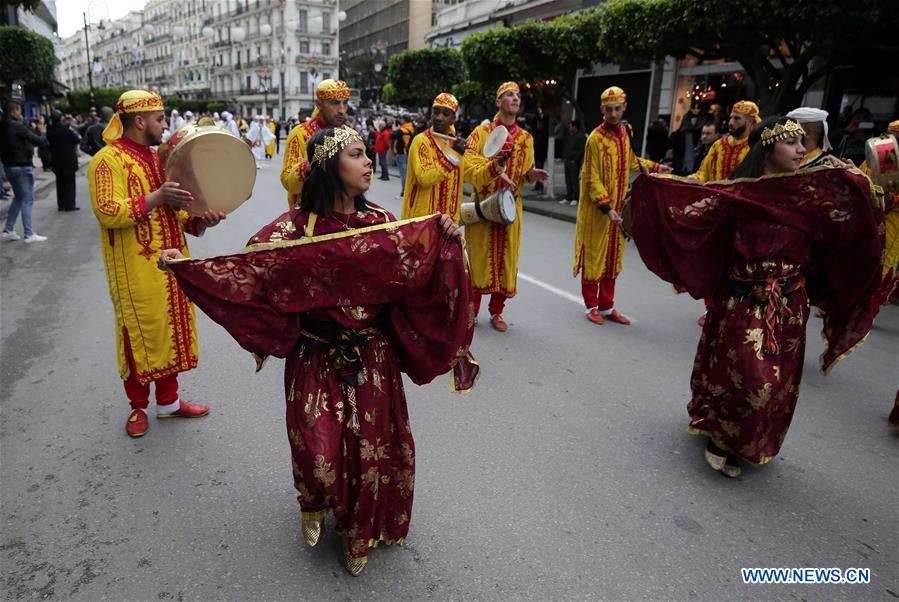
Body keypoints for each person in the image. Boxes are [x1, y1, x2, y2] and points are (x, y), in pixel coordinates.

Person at [159, 125, 477, 576]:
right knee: (317, 451)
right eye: (356, 154)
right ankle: (315, 502)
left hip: (372, 357)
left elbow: (416, 275)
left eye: (368, 154)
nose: (369, 162)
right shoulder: (291, 230)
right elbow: (249, 278)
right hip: (315, 357)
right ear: (330, 165)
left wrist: (445, 238)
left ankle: (358, 532)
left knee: (373, 451)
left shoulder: (384, 224)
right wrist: (187, 269)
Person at [630, 116, 882, 477]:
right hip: (744, 297)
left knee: (778, 383)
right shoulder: (739, 194)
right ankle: (720, 435)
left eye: (802, 143)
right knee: (748, 377)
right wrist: (655, 193)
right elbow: (695, 215)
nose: (800, 150)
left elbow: (850, 220)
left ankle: (749, 439)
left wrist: (854, 180)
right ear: (768, 148)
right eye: (792, 143)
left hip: (790, 302)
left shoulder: (809, 193)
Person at [87, 90, 226, 438]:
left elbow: (179, 214)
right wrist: (157, 196)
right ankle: (138, 406)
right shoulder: (106, 161)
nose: (165, 124)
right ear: (139, 121)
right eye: (160, 118)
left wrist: (204, 219)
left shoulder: (159, 159)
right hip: (135, 267)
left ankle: (168, 402)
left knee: (172, 329)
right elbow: (108, 211)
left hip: (173, 262)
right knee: (140, 333)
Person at [572, 86, 671, 326]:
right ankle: (591, 305)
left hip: (618, 207)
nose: (614, 114)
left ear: (624, 108)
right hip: (599, 211)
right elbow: (591, 178)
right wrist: (607, 208)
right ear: (602, 110)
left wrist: (657, 167)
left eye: (617, 109)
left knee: (613, 259)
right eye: (609, 110)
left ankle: (607, 306)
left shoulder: (625, 133)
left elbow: (631, 161)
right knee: (595, 257)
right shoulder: (594, 138)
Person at [463, 81, 549, 331]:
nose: (515, 98)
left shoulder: (526, 138)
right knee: (477, 259)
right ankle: (472, 312)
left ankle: (497, 312)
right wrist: (493, 169)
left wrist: (532, 176)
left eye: (518, 95)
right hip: (483, 205)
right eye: (509, 95)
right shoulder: (481, 133)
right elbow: (468, 167)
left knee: (506, 260)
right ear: (498, 102)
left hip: (510, 207)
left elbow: (524, 173)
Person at [281, 79, 350, 209]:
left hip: (344, 213)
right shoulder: (300, 134)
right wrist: (309, 167)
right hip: (310, 214)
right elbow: (287, 181)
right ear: (319, 104)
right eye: (334, 103)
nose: (342, 110)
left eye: (345, 103)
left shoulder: (350, 135)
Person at [400, 93, 468, 223]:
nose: (439, 118)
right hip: (421, 224)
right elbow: (425, 177)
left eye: (445, 114)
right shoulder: (421, 141)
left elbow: (472, 174)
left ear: (453, 119)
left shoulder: (456, 145)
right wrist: (453, 156)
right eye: (436, 112)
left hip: (448, 224)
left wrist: (497, 165)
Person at [1, 101, 49, 243]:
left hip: (9, 166)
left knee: (19, 198)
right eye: (19, 111)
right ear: (14, 111)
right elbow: (38, 140)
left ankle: (9, 229)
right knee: (27, 199)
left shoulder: (2, 125)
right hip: (22, 166)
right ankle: (29, 233)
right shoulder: (17, 126)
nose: (21, 113)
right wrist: (43, 132)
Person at [691, 100, 760, 182]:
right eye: (731, 117)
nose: (730, 122)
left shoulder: (756, 148)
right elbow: (703, 173)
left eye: (737, 118)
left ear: (750, 121)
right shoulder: (718, 145)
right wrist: (691, 180)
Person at [46, 110, 81, 211]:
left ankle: (61, 204)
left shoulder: (49, 130)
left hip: (56, 160)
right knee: (70, 183)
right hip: (68, 160)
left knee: (59, 183)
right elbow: (76, 139)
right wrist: (71, 130)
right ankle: (70, 204)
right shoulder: (65, 129)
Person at [560, 119, 586, 206]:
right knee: (568, 180)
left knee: (574, 180)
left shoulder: (581, 137)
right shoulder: (571, 136)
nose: (570, 128)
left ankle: (575, 198)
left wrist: (575, 160)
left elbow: (581, 150)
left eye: (571, 126)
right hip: (567, 160)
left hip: (574, 162)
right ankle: (568, 197)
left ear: (575, 127)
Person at [391, 114, 414, 198]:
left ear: (404, 120)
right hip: (407, 152)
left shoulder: (401, 130)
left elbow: (392, 136)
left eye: (401, 119)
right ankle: (406, 191)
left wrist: (394, 128)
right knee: (406, 174)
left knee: (403, 175)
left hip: (401, 153)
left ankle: (404, 192)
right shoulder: (411, 129)